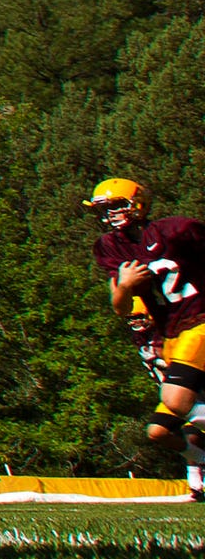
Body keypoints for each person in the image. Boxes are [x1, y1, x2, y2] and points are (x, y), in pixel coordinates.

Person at [87, 178, 205, 501]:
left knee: (177, 400)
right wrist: (124, 286)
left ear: (137, 203)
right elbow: (121, 308)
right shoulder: (112, 247)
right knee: (161, 425)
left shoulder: (178, 230)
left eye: (115, 206)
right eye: (104, 209)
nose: (110, 214)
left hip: (201, 321)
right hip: (172, 332)